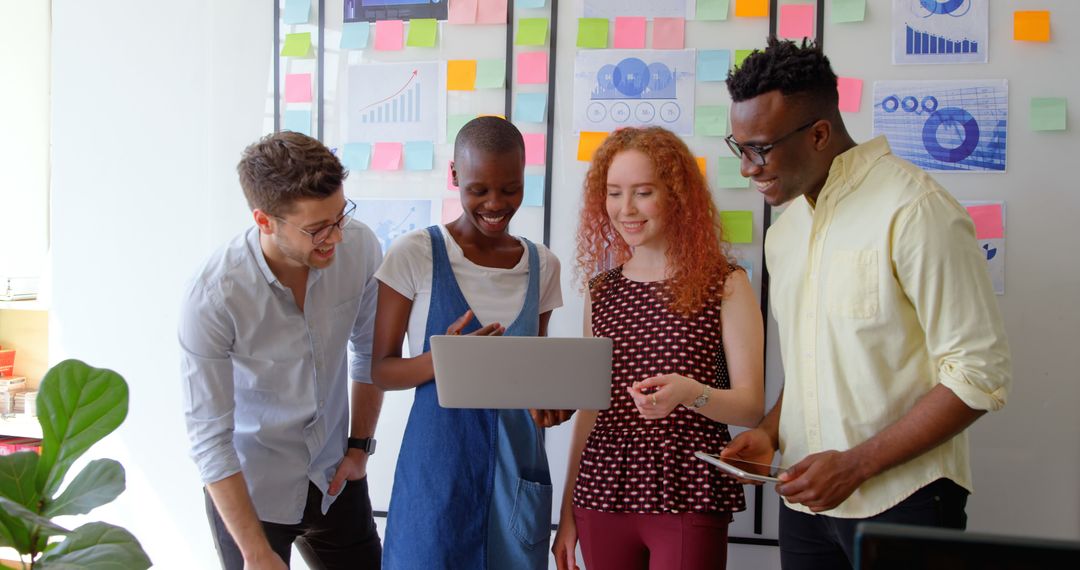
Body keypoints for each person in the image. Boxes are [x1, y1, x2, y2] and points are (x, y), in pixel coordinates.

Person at [720, 38, 1013, 569]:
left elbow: (979, 374)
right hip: (806, 506)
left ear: (819, 134)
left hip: (907, 501)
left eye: (759, 148)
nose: (746, 168)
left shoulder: (916, 208)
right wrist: (768, 430)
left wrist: (856, 465)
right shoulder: (786, 233)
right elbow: (817, 360)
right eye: (738, 147)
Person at [552, 126, 766, 570]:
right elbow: (591, 410)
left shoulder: (725, 283)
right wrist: (567, 510)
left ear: (677, 195)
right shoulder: (602, 291)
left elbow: (749, 407)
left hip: (687, 485)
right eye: (613, 193)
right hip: (602, 488)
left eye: (643, 192)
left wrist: (690, 393)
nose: (625, 209)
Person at [370, 116, 569, 569]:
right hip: (437, 475)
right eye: (478, 189)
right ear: (454, 176)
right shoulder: (414, 254)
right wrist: (444, 361)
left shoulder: (544, 266)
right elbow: (380, 369)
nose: (495, 204)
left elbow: (532, 375)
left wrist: (554, 402)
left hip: (516, 477)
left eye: (510, 189)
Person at [179, 131, 383, 569]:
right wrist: (255, 552)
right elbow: (209, 439)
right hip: (252, 495)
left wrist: (359, 447)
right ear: (264, 220)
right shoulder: (214, 295)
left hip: (335, 478)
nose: (337, 237)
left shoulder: (362, 247)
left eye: (340, 216)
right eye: (316, 228)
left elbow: (368, 353)